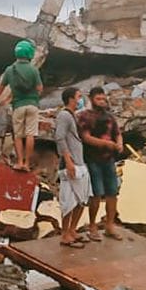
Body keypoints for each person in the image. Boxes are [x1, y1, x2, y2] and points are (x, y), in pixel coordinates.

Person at [79, 86, 124, 242]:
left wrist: (119, 144)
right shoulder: (85, 116)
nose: (102, 101)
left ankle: (110, 225)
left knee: (112, 192)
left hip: (109, 160)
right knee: (96, 193)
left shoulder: (110, 117)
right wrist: (105, 144)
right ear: (91, 99)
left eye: (104, 99)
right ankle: (92, 225)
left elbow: (118, 134)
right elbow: (86, 137)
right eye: (98, 99)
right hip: (93, 159)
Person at [0, 40, 43, 171]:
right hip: (32, 105)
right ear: (30, 53)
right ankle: (27, 163)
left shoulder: (10, 70)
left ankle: (19, 162)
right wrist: (33, 97)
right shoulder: (33, 70)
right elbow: (40, 88)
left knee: (18, 135)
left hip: (18, 106)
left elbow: (1, 88)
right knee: (30, 134)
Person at [54, 87, 91, 248]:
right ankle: (65, 234)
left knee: (81, 199)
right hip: (71, 163)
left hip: (80, 162)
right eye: (78, 97)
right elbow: (60, 138)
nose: (80, 99)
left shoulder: (72, 116)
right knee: (69, 200)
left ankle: (73, 229)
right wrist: (68, 161)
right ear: (70, 98)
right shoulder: (64, 115)